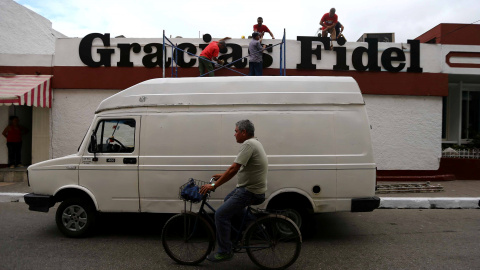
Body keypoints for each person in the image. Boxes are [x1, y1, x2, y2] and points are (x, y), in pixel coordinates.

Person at [200, 120, 268, 262]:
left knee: (220, 215)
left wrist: (214, 185)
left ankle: (225, 251)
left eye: (236, 131)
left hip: (250, 191)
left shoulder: (248, 144)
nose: (234, 134)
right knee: (227, 201)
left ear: (244, 132)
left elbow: (234, 169)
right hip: (251, 189)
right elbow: (240, 167)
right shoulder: (255, 142)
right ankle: (253, 226)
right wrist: (221, 176)